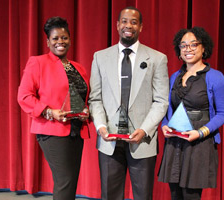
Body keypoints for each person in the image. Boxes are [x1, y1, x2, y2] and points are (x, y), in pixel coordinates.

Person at [88, 6, 169, 200]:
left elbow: (161, 101)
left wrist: (144, 129)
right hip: (109, 141)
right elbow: (95, 98)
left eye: (134, 22)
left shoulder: (157, 59)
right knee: (110, 195)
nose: (128, 25)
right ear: (117, 25)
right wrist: (100, 126)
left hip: (142, 140)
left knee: (143, 196)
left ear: (141, 27)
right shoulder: (100, 57)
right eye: (124, 21)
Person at [17, 16, 90, 200]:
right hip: (51, 131)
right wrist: (49, 111)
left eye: (64, 38)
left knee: (70, 182)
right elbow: (24, 96)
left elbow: (81, 97)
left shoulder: (78, 68)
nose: (60, 42)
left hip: (75, 130)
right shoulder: (38, 62)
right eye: (55, 38)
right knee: (65, 180)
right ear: (48, 42)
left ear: (70, 40)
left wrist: (85, 111)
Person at [158, 27, 224, 200]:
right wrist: (164, 125)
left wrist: (200, 132)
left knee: (191, 196)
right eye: (183, 45)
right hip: (175, 142)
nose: (188, 49)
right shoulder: (175, 76)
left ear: (203, 48)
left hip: (199, 143)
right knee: (175, 194)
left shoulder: (215, 77)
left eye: (193, 44)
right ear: (179, 50)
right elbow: (169, 108)